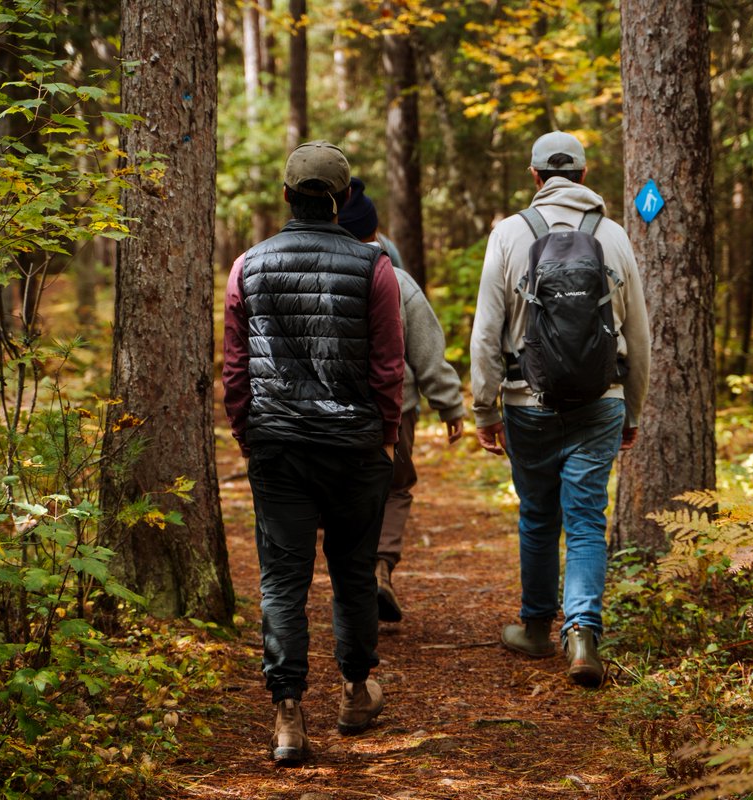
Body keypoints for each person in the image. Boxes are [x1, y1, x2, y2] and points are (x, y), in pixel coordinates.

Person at [222, 141, 405, 763]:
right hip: (355, 448)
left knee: (282, 580)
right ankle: (354, 693)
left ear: (286, 195)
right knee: (353, 573)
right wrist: (386, 435)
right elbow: (388, 365)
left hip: (278, 447)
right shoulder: (375, 266)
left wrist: (248, 431)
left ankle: (287, 715)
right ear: (344, 197)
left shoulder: (248, 266)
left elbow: (235, 367)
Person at [469, 131, 650, 687]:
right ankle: (583, 635)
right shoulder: (614, 236)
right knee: (587, 520)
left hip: (527, 401)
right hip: (601, 401)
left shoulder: (508, 234)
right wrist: (633, 410)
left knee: (538, 515)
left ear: (535, 176)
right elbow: (639, 335)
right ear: (584, 175)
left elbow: (486, 331)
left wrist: (484, 408)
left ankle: (535, 628)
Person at [339, 178, 466, 622]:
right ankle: (379, 567)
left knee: (342, 492)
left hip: (332, 409)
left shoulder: (320, 274)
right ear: (374, 232)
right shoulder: (396, 279)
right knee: (394, 488)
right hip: (395, 410)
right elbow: (427, 353)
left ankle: (351, 580)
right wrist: (450, 406)